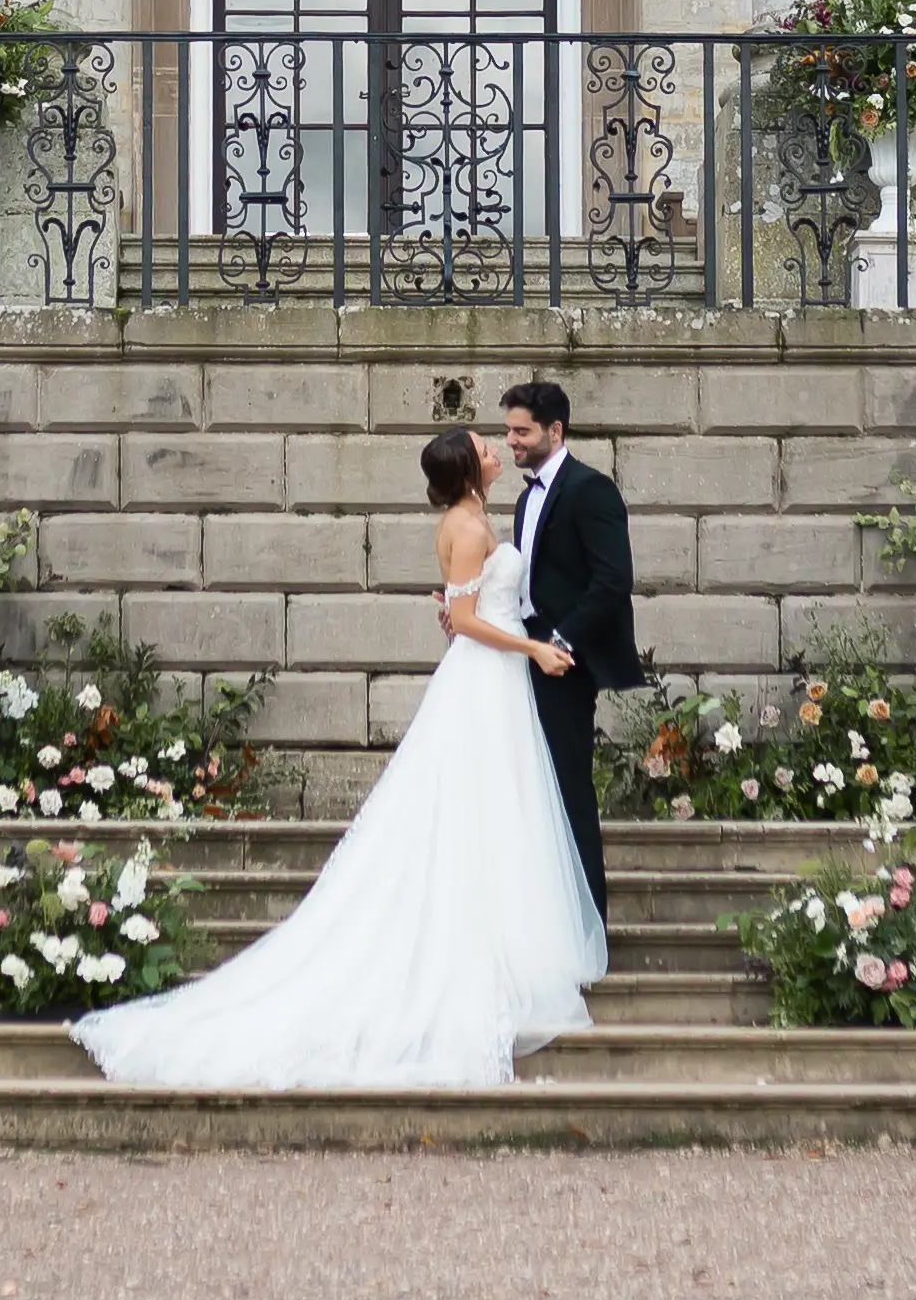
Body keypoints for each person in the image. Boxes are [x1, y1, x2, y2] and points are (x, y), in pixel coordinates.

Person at [70, 427, 605, 1090]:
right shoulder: (467, 526)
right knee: (478, 800)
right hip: (486, 673)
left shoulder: (472, 517)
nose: (496, 447)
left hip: (490, 677)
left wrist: (469, 612)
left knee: (495, 808)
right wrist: (533, 649)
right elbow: (466, 620)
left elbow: (460, 604)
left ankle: (500, 941)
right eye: (484, 444)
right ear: (470, 466)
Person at [501, 375, 644, 918]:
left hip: (563, 661)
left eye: (522, 431)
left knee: (569, 791)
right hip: (526, 654)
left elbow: (613, 580)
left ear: (554, 430)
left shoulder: (590, 489)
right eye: (509, 430)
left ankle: (589, 929)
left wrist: (560, 642)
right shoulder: (524, 498)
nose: (511, 441)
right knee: (534, 791)